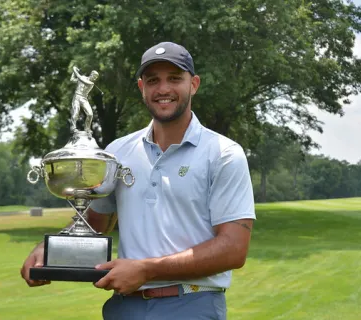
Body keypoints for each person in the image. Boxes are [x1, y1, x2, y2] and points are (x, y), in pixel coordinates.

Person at [21, 41, 256, 320]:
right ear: (141, 88)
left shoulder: (223, 153)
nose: (163, 89)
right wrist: (52, 248)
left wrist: (146, 269)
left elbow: (233, 249)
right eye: (153, 80)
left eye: (174, 79)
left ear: (193, 84)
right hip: (124, 307)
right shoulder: (118, 152)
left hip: (191, 304)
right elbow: (96, 219)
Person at [69, 66, 99, 135]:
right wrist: (74, 72)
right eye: (94, 76)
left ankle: (87, 129)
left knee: (90, 114)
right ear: (91, 74)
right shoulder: (82, 77)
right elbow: (72, 79)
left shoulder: (91, 84)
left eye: (96, 78)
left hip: (84, 99)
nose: (95, 79)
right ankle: (73, 128)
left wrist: (74, 69)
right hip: (76, 96)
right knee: (75, 112)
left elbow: (80, 78)